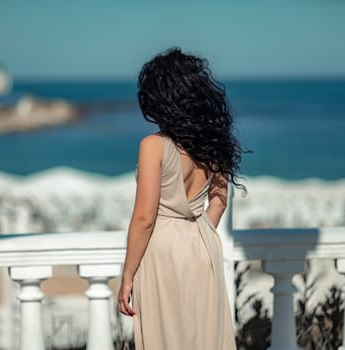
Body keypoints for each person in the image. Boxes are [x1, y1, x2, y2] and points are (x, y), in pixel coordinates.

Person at [117, 48, 246, 350]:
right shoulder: (215, 145)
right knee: (203, 335)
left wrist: (126, 275)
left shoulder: (153, 145)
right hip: (202, 242)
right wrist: (198, 230)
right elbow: (218, 201)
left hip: (162, 249)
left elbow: (145, 218)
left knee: (167, 336)